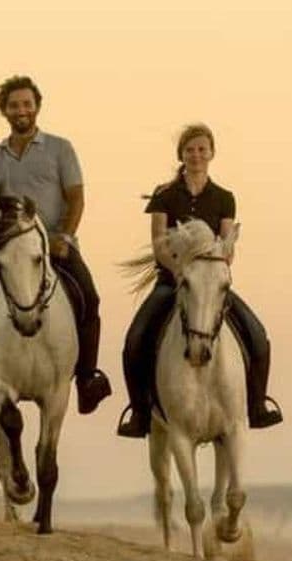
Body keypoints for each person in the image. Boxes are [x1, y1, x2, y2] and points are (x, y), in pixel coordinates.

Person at [0, 75, 112, 414]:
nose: (21, 110)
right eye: (14, 105)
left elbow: (77, 199)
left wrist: (64, 238)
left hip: (55, 246)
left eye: (27, 104)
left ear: (37, 106)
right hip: (10, 248)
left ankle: (87, 377)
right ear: (5, 111)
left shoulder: (60, 149)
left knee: (89, 296)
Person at [117, 123, 283, 437]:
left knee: (258, 335)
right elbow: (159, 244)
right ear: (181, 154)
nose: (196, 155)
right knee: (135, 338)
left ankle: (257, 405)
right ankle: (139, 413)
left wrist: (221, 261)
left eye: (202, 149)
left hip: (212, 287)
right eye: (190, 150)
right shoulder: (164, 195)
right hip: (172, 283)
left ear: (212, 153)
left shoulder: (224, 197)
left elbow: (227, 246)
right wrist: (178, 270)